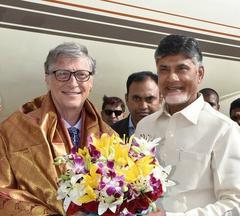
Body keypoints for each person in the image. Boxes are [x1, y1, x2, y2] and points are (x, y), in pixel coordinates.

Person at [0, 42, 114, 215]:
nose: (73, 83)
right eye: (62, 74)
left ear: (91, 82)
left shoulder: (110, 137)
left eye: (82, 75)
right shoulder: (13, 130)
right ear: (47, 78)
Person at [136, 35, 240, 215]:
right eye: (164, 69)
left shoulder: (223, 130)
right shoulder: (145, 126)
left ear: (199, 74)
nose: (172, 78)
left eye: (182, 68)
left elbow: (234, 203)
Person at [112, 71, 161, 140]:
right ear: (127, 99)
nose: (143, 106)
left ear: (161, 99)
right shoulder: (111, 133)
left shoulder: (172, 131)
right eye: (137, 98)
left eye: (149, 99)